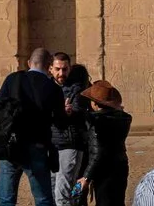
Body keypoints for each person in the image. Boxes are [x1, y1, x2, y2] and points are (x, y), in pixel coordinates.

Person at [0, 48, 60, 206]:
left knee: (6, 200)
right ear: (49, 65)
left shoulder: (12, 79)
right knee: (43, 199)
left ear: (29, 63)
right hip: (36, 146)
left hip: (10, 145)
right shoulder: (53, 88)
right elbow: (60, 122)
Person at [74, 81, 133, 206]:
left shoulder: (96, 121)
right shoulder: (124, 118)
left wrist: (86, 177)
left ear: (94, 103)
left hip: (104, 170)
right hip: (120, 164)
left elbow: (97, 151)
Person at [52, 57, 95, 206]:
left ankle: (78, 201)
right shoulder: (86, 93)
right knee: (78, 184)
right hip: (83, 145)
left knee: (67, 187)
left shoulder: (74, 93)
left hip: (73, 143)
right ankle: (79, 201)